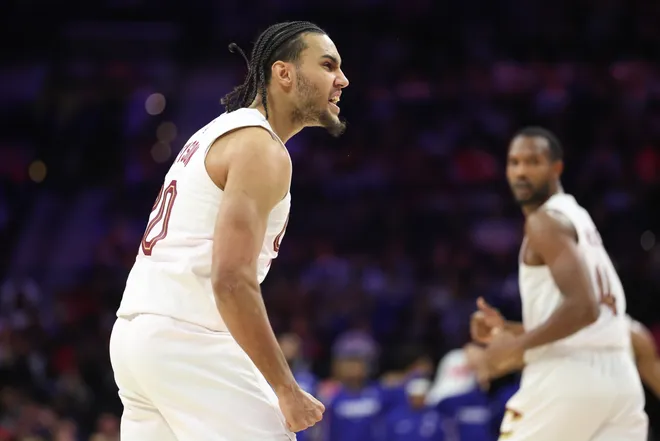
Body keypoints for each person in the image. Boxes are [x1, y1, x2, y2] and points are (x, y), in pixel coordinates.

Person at [108, 21, 349, 441]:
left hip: (135, 337)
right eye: (328, 65)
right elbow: (232, 279)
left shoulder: (213, 134)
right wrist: (285, 388)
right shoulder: (260, 147)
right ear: (284, 73)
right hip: (189, 334)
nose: (342, 80)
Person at [470, 127, 648, 441]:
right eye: (514, 163)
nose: (521, 171)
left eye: (533, 162)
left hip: (566, 379)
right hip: (620, 381)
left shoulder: (544, 221)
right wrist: (510, 328)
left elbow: (584, 308)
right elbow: (589, 319)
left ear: (556, 168)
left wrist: (515, 345)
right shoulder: (578, 216)